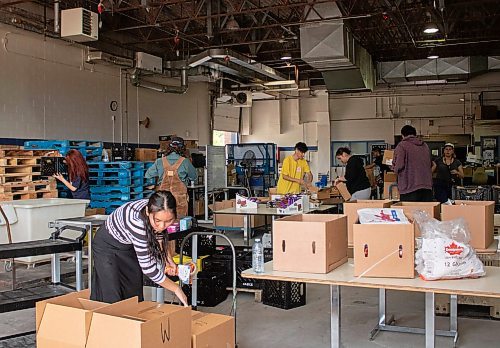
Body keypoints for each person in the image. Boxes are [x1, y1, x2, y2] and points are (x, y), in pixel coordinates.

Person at [90, 190, 188, 305]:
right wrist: (176, 288)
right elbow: (149, 269)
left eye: (168, 221)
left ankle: (133, 321)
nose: (162, 226)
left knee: (133, 291)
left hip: (127, 244)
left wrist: (167, 259)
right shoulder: (137, 223)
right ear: (147, 212)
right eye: (157, 221)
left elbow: (159, 234)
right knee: (112, 294)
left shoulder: (157, 207)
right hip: (107, 246)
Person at [145, 137, 197, 218]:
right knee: (179, 222)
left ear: (169, 147)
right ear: (183, 148)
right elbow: (194, 177)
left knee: (163, 220)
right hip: (179, 199)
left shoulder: (159, 161)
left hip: (163, 199)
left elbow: (148, 175)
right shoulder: (185, 162)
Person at [393, 125, 433, 202]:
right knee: (426, 212)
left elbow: (399, 165)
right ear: (415, 134)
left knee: (409, 213)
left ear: (402, 135)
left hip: (409, 187)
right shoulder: (425, 146)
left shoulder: (402, 146)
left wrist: (393, 168)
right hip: (427, 187)